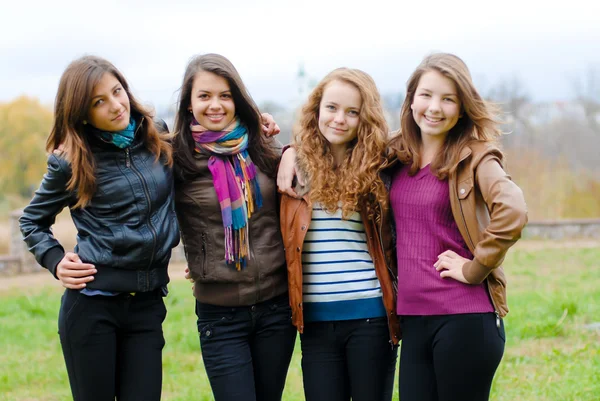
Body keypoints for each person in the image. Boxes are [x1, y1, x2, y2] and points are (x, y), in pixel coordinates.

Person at [19, 55, 180, 401]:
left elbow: (208, 144)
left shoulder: (156, 134)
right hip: (92, 308)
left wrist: (262, 125)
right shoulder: (71, 160)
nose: (115, 105)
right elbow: (32, 220)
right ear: (81, 113)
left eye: (117, 91)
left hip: (147, 305)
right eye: (98, 102)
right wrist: (55, 260)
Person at [387, 52, 527, 401]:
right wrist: (292, 152)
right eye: (426, 95)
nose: (434, 107)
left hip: (464, 320)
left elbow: (513, 209)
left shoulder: (476, 156)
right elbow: (338, 150)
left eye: (448, 99)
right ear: (411, 99)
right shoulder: (394, 155)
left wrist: (476, 267)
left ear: (462, 107)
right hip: (413, 320)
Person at [172, 53, 296, 401]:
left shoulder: (260, 147)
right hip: (220, 314)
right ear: (188, 104)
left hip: (276, 307)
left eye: (225, 95)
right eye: (205, 96)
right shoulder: (176, 158)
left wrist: (291, 150)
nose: (216, 105)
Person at [279, 68, 400, 401]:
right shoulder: (295, 167)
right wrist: (290, 150)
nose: (339, 119)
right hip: (315, 324)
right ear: (317, 108)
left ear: (366, 118)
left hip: (370, 320)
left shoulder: (380, 166)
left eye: (352, 112)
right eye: (331, 107)